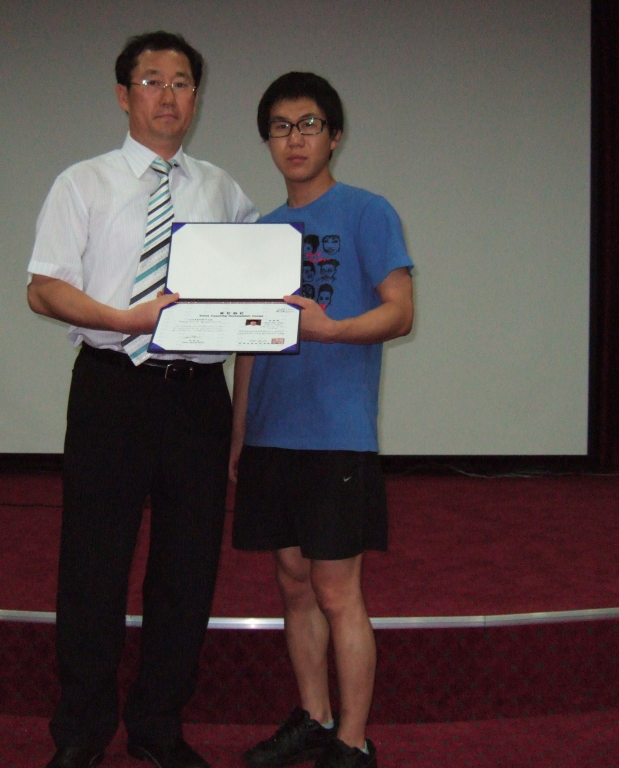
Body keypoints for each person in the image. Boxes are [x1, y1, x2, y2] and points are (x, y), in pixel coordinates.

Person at [27, 31, 258, 768]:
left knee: (187, 569)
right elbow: (43, 287)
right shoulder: (82, 183)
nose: (169, 95)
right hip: (112, 387)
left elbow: (255, 295)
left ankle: (158, 725)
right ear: (124, 95)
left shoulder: (223, 190)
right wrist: (122, 319)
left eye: (182, 82)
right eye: (152, 80)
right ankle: (82, 730)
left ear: (197, 97)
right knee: (93, 564)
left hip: (196, 396)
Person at [230, 72, 414, 768]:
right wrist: (240, 434)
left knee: (338, 592)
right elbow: (249, 341)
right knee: (292, 583)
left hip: (337, 435)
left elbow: (400, 312)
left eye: (308, 124)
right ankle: (313, 717)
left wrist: (331, 329)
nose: (295, 139)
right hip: (271, 434)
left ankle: (353, 741)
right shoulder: (261, 232)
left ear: (334, 136)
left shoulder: (368, 212)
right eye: (281, 127)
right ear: (268, 141)